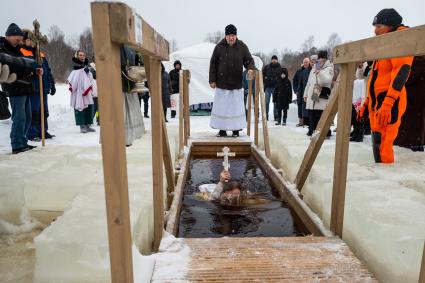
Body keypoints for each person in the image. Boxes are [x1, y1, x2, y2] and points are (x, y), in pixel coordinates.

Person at [358, 9, 414, 163]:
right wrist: (368, 101)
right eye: (374, 27)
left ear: (391, 26)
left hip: (389, 102)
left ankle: (386, 177)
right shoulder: (384, 47)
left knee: (384, 144)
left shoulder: (400, 42)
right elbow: (375, 78)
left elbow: (401, 73)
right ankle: (381, 173)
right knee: (377, 143)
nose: (375, 31)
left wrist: (388, 103)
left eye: (379, 26)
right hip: (378, 102)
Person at [0, 23, 42, 154]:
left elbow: (24, 66)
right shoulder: (3, 48)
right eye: (17, 39)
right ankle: (17, 144)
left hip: (25, 86)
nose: (19, 41)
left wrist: (35, 71)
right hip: (14, 87)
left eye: (20, 39)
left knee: (28, 117)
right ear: (9, 36)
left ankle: (22, 141)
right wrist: (25, 66)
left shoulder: (18, 49)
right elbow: (14, 65)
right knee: (20, 117)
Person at [209, 24, 256, 137]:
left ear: (236, 36)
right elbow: (213, 64)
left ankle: (236, 130)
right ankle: (222, 130)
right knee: (222, 108)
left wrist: (250, 69)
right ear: (226, 36)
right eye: (229, 35)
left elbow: (249, 60)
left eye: (233, 35)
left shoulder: (242, 46)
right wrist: (212, 80)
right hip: (222, 84)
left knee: (235, 108)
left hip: (236, 83)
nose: (231, 38)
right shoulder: (219, 47)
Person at [21, 30, 56, 141]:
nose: (31, 42)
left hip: (44, 88)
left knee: (44, 111)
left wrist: (52, 84)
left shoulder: (40, 54)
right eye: (29, 40)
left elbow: (48, 71)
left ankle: (43, 131)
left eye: (33, 40)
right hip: (33, 88)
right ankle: (32, 133)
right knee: (34, 111)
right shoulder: (23, 52)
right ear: (24, 41)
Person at [304, 50, 334, 137]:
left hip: (322, 94)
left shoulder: (329, 68)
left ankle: (325, 131)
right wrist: (305, 94)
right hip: (312, 93)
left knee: (320, 114)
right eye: (319, 58)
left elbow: (327, 80)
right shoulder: (315, 67)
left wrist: (319, 73)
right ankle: (312, 129)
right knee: (311, 113)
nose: (320, 60)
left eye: (322, 58)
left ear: (325, 59)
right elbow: (309, 82)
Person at [67, 50, 96, 134]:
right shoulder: (75, 67)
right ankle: (81, 126)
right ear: (77, 56)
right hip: (78, 92)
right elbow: (73, 79)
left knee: (89, 107)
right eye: (80, 55)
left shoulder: (86, 67)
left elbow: (90, 79)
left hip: (86, 91)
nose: (82, 56)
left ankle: (87, 125)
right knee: (80, 106)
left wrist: (88, 73)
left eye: (83, 55)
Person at [120, 47, 145, 145]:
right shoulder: (120, 48)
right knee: (123, 113)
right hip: (120, 86)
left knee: (130, 112)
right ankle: (122, 138)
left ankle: (128, 138)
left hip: (130, 85)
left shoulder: (132, 49)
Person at [298, 55, 316, 128]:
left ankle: (314, 125)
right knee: (308, 110)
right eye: (312, 62)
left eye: (315, 62)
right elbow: (302, 84)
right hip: (307, 93)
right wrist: (302, 94)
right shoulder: (304, 72)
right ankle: (310, 126)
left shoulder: (317, 69)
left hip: (316, 93)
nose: (313, 63)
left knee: (315, 110)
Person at [262, 55, 281, 121]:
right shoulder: (267, 67)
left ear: (277, 60)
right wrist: (264, 81)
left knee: (275, 102)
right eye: (273, 59)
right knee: (266, 102)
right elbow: (262, 75)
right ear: (271, 60)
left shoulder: (279, 67)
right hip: (268, 87)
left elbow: (282, 77)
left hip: (276, 88)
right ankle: (265, 116)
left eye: (275, 60)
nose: (274, 61)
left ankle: (276, 116)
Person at [293, 58, 309, 127]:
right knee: (300, 106)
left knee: (307, 106)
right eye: (304, 62)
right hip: (300, 92)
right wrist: (296, 90)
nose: (305, 63)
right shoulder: (299, 71)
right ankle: (301, 121)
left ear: (309, 63)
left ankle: (307, 122)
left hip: (307, 92)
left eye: (307, 62)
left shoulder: (311, 71)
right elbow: (294, 81)